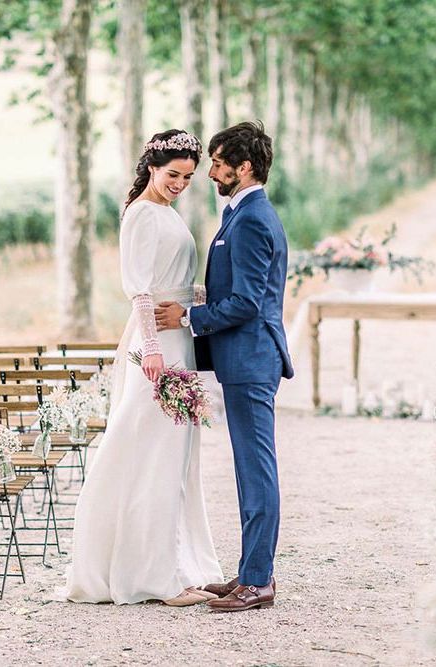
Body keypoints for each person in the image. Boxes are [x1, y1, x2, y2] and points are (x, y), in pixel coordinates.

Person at [62, 129, 223, 606]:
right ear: (152, 167)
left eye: (188, 177)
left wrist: (207, 303)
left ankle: (180, 562)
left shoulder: (167, 213)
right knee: (152, 452)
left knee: (174, 456)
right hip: (157, 346)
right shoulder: (140, 214)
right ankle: (157, 576)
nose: (180, 183)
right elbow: (141, 291)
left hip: (180, 338)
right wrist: (151, 349)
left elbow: (174, 285)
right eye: (173, 174)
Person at [155, 121, 294, 612]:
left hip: (252, 359)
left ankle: (259, 580)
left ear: (245, 167)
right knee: (246, 469)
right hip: (242, 359)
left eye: (217, 164)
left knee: (256, 470)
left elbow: (248, 303)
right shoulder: (241, 213)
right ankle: (250, 572)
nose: (210, 173)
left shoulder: (253, 218)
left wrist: (190, 317)